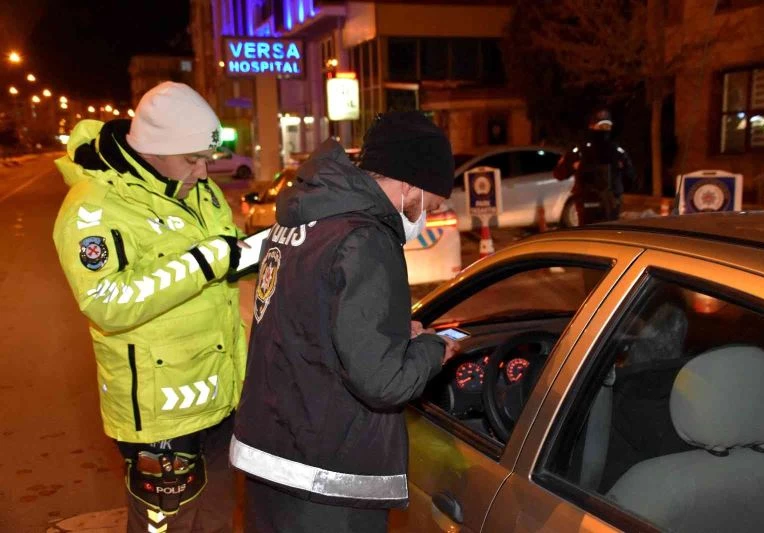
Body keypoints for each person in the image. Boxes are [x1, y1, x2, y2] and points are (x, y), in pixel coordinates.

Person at [231, 111, 460, 532]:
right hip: (329, 478)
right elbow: (384, 383)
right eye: (434, 198)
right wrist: (433, 349)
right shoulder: (366, 238)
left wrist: (391, 334)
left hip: (272, 460)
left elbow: (310, 322)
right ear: (410, 182)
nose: (433, 210)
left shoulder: (304, 219)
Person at [52, 82, 246, 532]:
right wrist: (210, 258)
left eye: (206, 159)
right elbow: (107, 303)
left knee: (215, 520)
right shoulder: (94, 208)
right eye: (191, 159)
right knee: (168, 525)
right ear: (154, 150)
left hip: (219, 396)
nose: (202, 172)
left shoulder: (197, 191)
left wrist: (253, 256)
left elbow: (223, 258)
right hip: (160, 414)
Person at [554, 108, 636, 225]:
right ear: (592, 126)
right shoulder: (580, 151)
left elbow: (631, 177)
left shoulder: (617, 152)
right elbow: (559, 173)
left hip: (610, 206)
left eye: (607, 126)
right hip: (588, 206)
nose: (604, 130)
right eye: (601, 126)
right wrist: (573, 167)